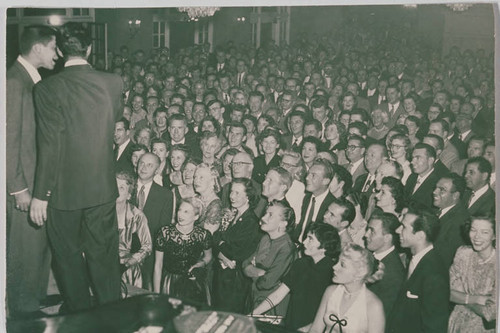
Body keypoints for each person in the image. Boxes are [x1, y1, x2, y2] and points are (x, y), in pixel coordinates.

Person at [30, 23, 123, 313]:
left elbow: (49, 145)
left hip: (63, 192)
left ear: (60, 50)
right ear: (90, 49)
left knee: (68, 258)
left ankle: (80, 317)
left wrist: (40, 194)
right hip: (101, 189)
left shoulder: (46, 88)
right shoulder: (114, 82)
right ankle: (112, 317)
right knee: (105, 258)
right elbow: (113, 124)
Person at [7, 24, 57, 318]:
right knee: (24, 252)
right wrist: (19, 188)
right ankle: (23, 311)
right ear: (38, 48)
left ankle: (34, 298)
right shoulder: (14, 82)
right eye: (53, 48)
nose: (57, 54)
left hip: (33, 182)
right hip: (22, 185)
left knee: (36, 246)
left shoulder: (30, 80)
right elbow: (8, 142)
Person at [252, 223, 341, 331]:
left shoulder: (333, 273)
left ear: (324, 246)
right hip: (291, 325)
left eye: (310, 239)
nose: (304, 242)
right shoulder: (300, 264)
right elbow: (277, 296)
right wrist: (253, 314)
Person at [386, 208, 449, 333]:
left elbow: (434, 328)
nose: (397, 230)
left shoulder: (434, 273)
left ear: (420, 235)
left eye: (403, 227)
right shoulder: (415, 260)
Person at [309, 243, 385, 333]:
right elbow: (316, 330)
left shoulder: (373, 305)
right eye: (337, 261)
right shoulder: (331, 292)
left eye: (342, 265)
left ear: (359, 273)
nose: (334, 267)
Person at [212, 178, 262, 313]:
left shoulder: (251, 222)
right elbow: (214, 238)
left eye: (237, 193)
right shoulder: (233, 215)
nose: (232, 196)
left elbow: (235, 252)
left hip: (235, 282)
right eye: (232, 192)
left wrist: (221, 248)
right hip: (223, 277)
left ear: (248, 197)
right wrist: (222, 254)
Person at [153, 198, 212, 305]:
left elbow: (208, 257)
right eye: (179, 210)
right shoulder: (165, 232)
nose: (180, 215)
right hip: (170, 283)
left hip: (193, 284)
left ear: (196, 216)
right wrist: (156, 295)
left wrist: (201, 263)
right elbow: (158, 265)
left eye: (186, 212)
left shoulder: (203, 235)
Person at [242, 202, 296, 316]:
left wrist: (252, 269)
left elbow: (267, 283)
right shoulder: (265, 238)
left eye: (270, 215)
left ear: (283, 223)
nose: (263, 218)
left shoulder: (287, 247)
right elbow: (245, 264)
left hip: (270, 306)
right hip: (253, 297)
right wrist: (260, 272)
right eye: (265, 213)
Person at [448, 216, 496, 332]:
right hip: (457, 324)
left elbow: (491, 313)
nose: (476, 236)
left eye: (484, 232)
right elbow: (446, 292)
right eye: (473, 230)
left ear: (494, 235)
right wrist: (479, 299)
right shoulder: (463, 254)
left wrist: (462, 297)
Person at [364, 212, 405, 319]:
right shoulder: (370, 257)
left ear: (387, 238)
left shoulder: (394, 274)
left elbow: (380, 317)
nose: (366, 235)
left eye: (372, 231)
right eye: (367, 229)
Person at [115, 171, 152, 288]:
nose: (116, 190)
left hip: (127, 270)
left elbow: (147, 246)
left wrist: (128, 263)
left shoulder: (137, 216)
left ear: (129, 195)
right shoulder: (100, 213)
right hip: (102, 266)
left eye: (121, 188)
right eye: (114, 186)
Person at [432, 173, 470, 268]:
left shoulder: (460, 221)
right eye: (436, 188)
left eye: (442, 190)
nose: (434, 192)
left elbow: (446, 259)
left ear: (455, 195)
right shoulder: (436, 212)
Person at [194, 163, 223, 235]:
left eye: (201, 177)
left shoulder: (215, 205)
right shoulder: (196, 198)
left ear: (212, 181)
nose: (196, 181)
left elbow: (207, 237)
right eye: (195, 177)